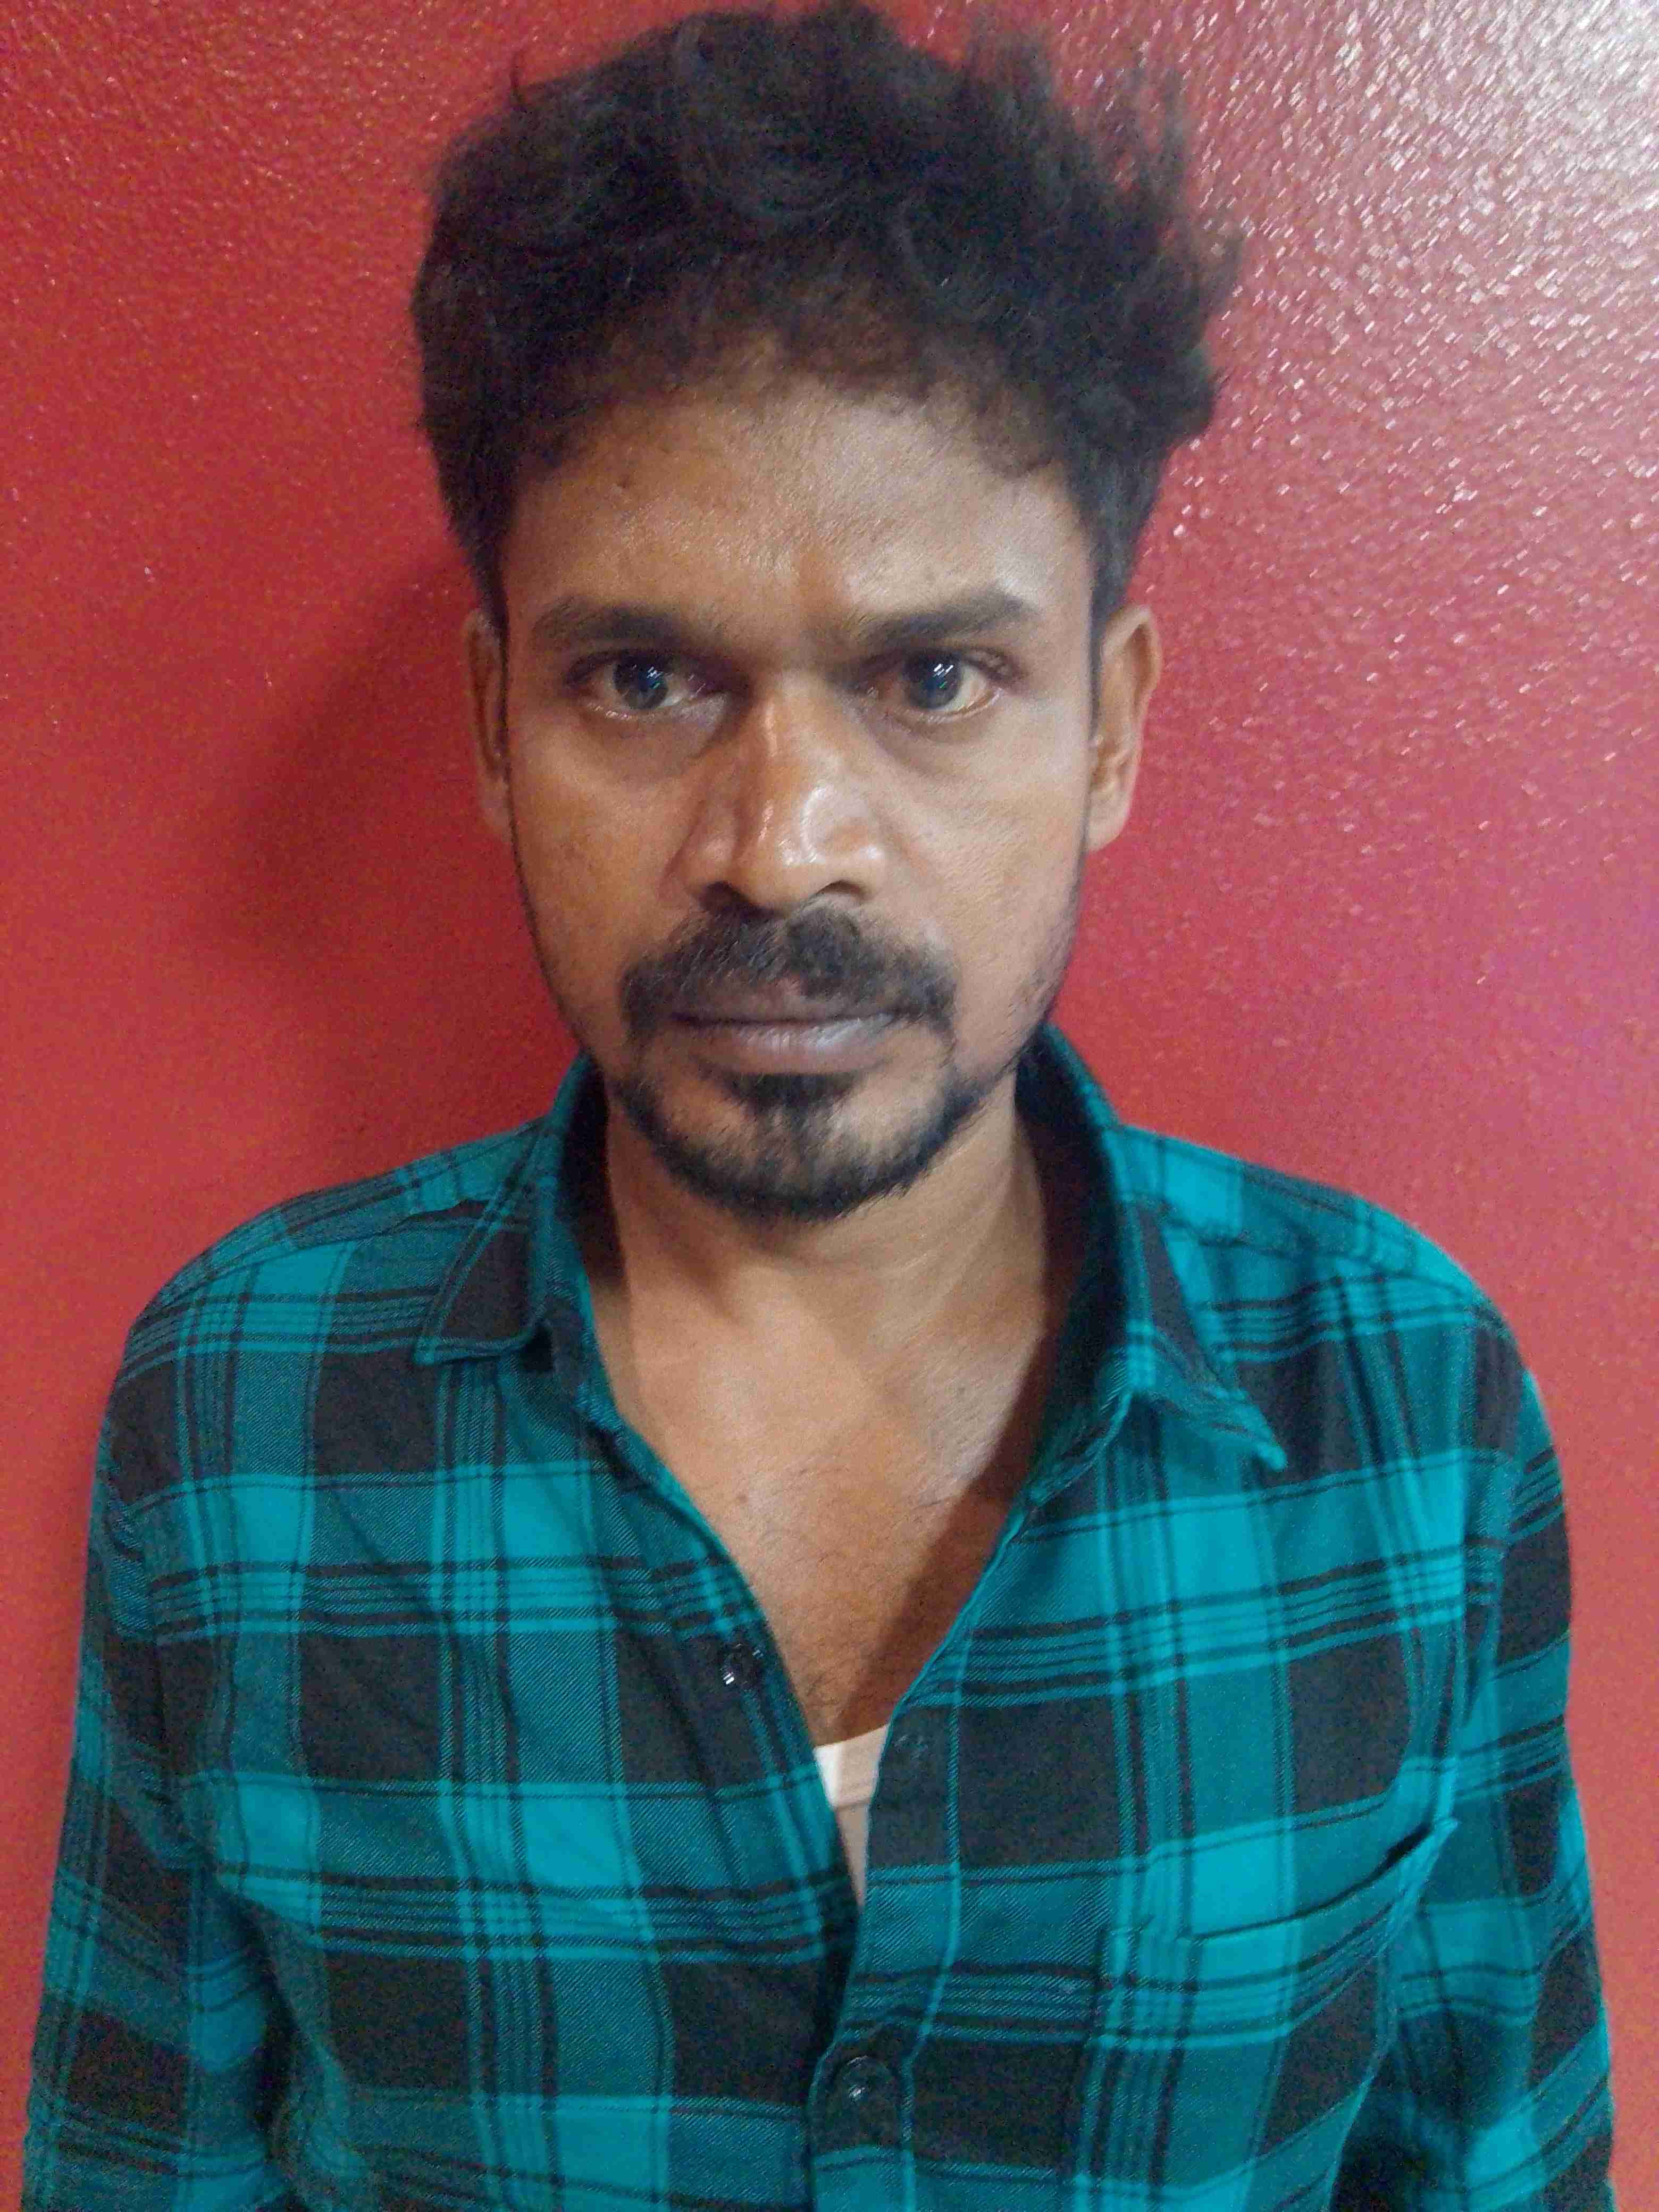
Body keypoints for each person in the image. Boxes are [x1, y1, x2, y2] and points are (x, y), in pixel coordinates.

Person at [24, 4, 1613, 2207]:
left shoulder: (1405, 1410)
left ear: (1107, 728)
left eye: (933, 678)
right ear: (493, 727)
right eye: (644, 679)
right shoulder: (246, 1417)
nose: (780, 849)